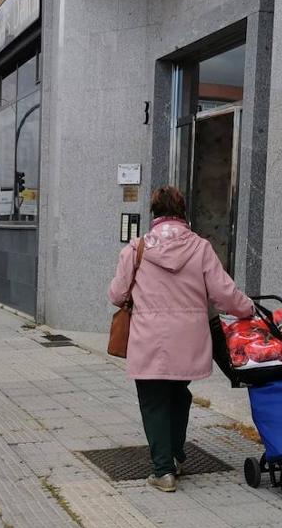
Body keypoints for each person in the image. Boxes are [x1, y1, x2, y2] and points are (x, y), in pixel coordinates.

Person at [108, 185, 255, 492]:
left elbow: (116, 295)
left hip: (149, 340)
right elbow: (223, 293)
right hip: (188, 341)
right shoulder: (201, 248)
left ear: (154, 214)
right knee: (179, 395)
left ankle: (163, 471)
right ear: (182, 212)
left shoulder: (135, 250)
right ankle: (175, 455)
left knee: (154, 402)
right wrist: (248, 308)